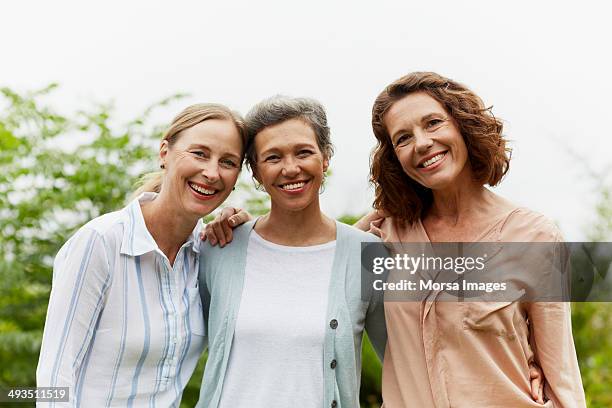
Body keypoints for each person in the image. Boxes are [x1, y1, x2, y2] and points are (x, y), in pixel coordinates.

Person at [355, 71, 586, 407]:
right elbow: (314, 262)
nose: (421, 143)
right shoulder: (385, 235)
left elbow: (562, 374)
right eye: (402, 138)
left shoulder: (534, 236)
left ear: (463, 126)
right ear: (394, 157)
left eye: (433, 123)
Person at [36, 103, 247, 407]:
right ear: (165, 153)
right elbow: (54, 375)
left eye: (228, 162)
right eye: (200, 154)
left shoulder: (208, 253)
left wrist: (247, 235)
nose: (212, 172)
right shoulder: (101, 242)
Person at [195, 96, 387, 408]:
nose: (291, 168)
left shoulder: (368, 255)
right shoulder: (219, 247)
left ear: (324, 158)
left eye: (304, 152)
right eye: (272, 158)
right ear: (255, 172)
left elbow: (406, 364)